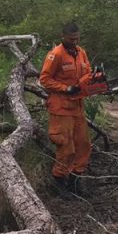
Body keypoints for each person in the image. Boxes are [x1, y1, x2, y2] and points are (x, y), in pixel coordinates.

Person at [39, 21, 94, 195]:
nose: (75, 42)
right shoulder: (55, 55)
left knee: (83, 144)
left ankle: (75, 180)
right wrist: (65, 88)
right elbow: (45, 79)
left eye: (77, 39)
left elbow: (88, 72)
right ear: (63, 37)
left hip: (77, 107)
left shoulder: (81, 53)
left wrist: (92, 81)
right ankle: (59, 181)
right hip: (61, 107)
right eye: (71, 39)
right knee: (66, 147)